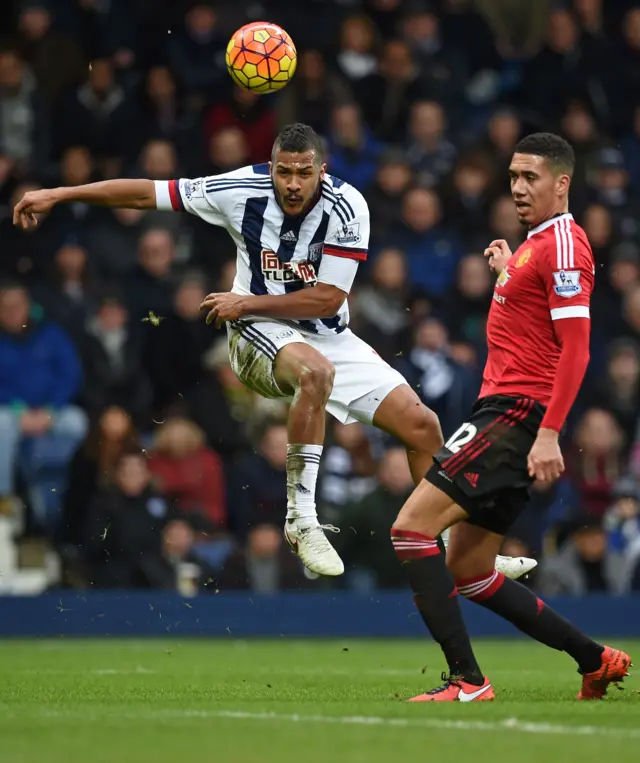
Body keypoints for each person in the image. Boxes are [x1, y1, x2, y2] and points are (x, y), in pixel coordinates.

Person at [13, 122, 535, 580]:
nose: (291, 183)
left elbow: (330, 297)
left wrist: (244, 300)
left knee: (422, 425)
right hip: (259, 334)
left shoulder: (348, 206)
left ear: (321, 171)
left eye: (302, 173)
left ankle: (460, 548)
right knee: (315, 372)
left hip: (317, 328)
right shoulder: (240, 189)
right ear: (271, 167)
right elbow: (147, 193)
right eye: (283, 171)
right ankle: (301, 517)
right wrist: (61, 193)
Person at [388, 133, 632, 702]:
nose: (519, 188)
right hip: (509, 413)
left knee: (409, 531)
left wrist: (547, 433)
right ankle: (596, 660)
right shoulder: (533, 245)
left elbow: (576, 348)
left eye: (531, 178)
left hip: (518, 415)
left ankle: (467, 681)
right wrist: (507, 272)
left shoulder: (565, 246)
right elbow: (535, 327)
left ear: (562, 183)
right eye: (514, 177)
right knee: (470, 568)